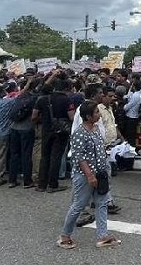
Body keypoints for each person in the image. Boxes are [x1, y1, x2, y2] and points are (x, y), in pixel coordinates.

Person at [57, 101, 121, 249]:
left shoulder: (97, 129)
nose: (99, 114)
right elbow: (79, 157)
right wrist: (90, 175)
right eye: (96, 113)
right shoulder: (79, 133)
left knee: (102, 203)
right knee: (79, 205)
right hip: (85, 176)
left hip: (100, 173)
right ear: (88, 116)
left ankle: (103, 236)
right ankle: (65, 236)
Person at [33, 77, 74, 193]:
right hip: (61, 132)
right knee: (55, 157)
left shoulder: (42, 99)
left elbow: (34, 117)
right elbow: (71, 116)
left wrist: (45, 119)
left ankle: (41, 184)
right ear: (66, 88)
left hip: (46, 130)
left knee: (44, 157)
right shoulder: (67, 100)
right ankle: (52, 184)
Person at [8, 78, 39, 189]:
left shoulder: (20, 96)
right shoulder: (34, 98)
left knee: (14, 155)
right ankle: (27, 180)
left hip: (14, 127)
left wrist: (28, 83)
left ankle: (12, 180)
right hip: (26, 128)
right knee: (26, 155)